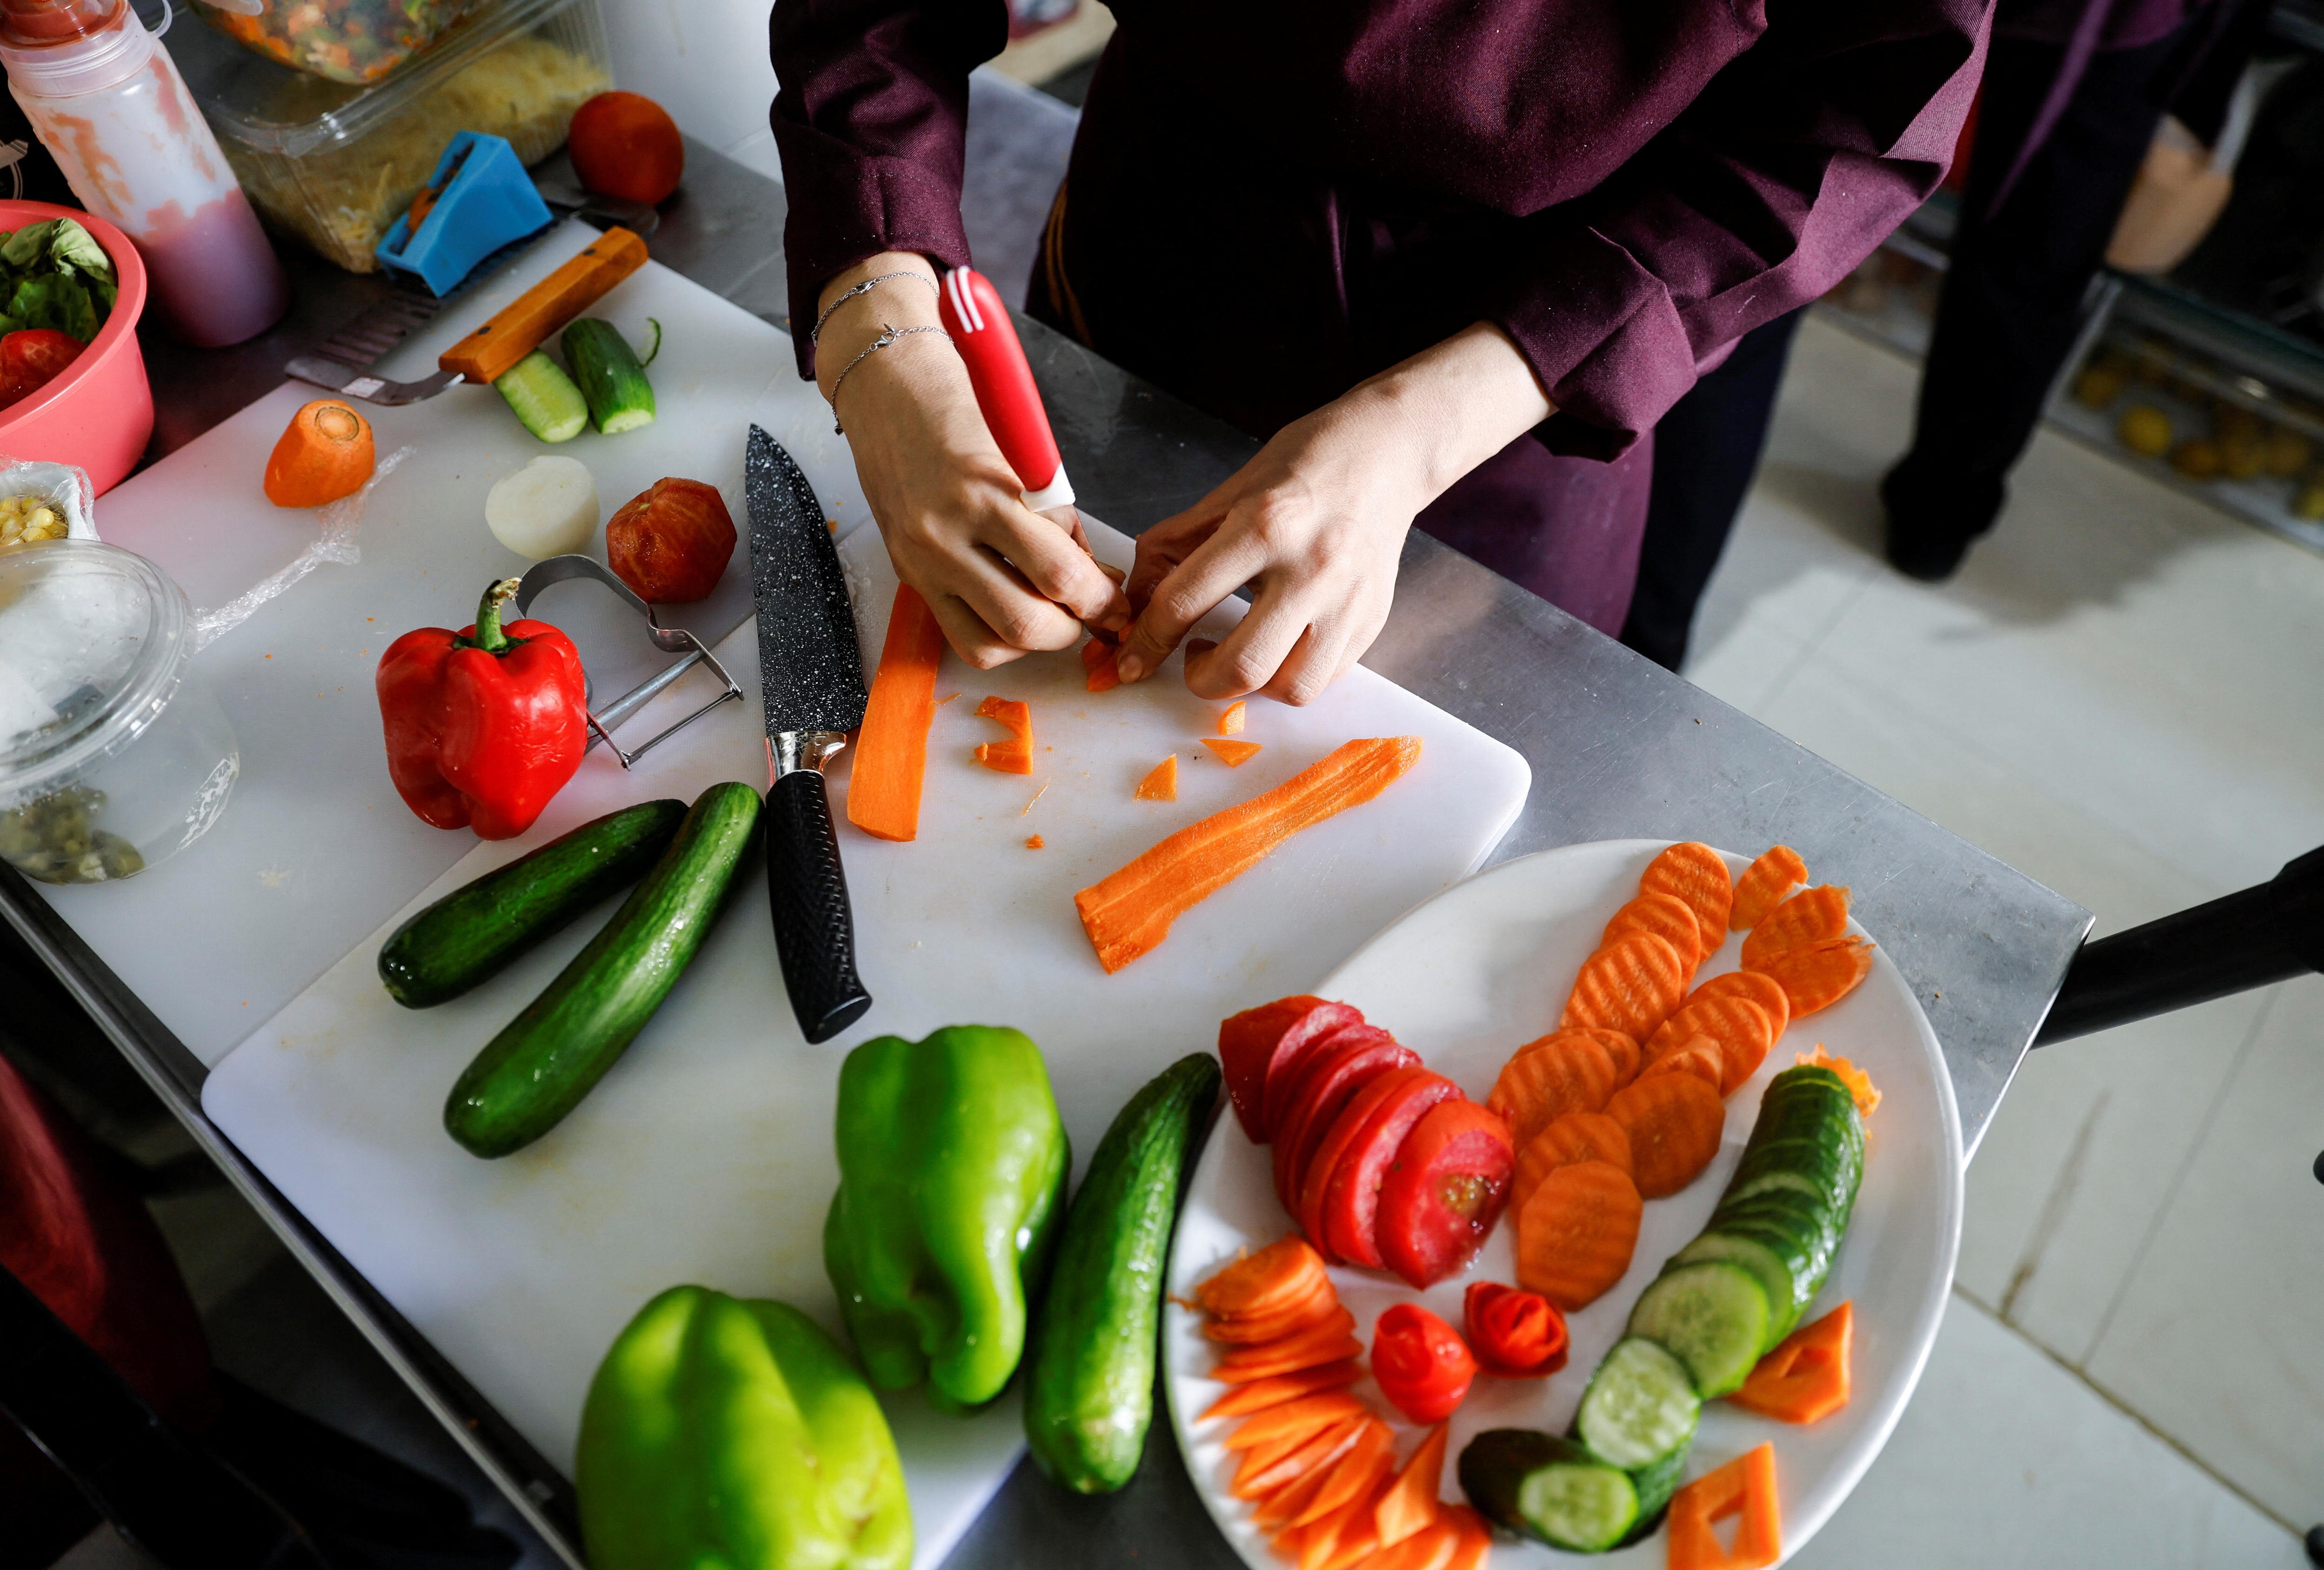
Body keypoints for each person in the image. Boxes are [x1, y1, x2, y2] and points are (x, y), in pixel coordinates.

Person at [771, 0, 1987, 701]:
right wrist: (873, 316)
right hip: (1151, 254)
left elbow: (1860, 113)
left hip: (1520, 379)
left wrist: (1429, 429)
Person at [1883, 0, 2260, 579]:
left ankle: (1936, 516)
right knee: (2032, 249)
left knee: (2026, 249)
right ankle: (1938, 514)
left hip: (2099, 21)